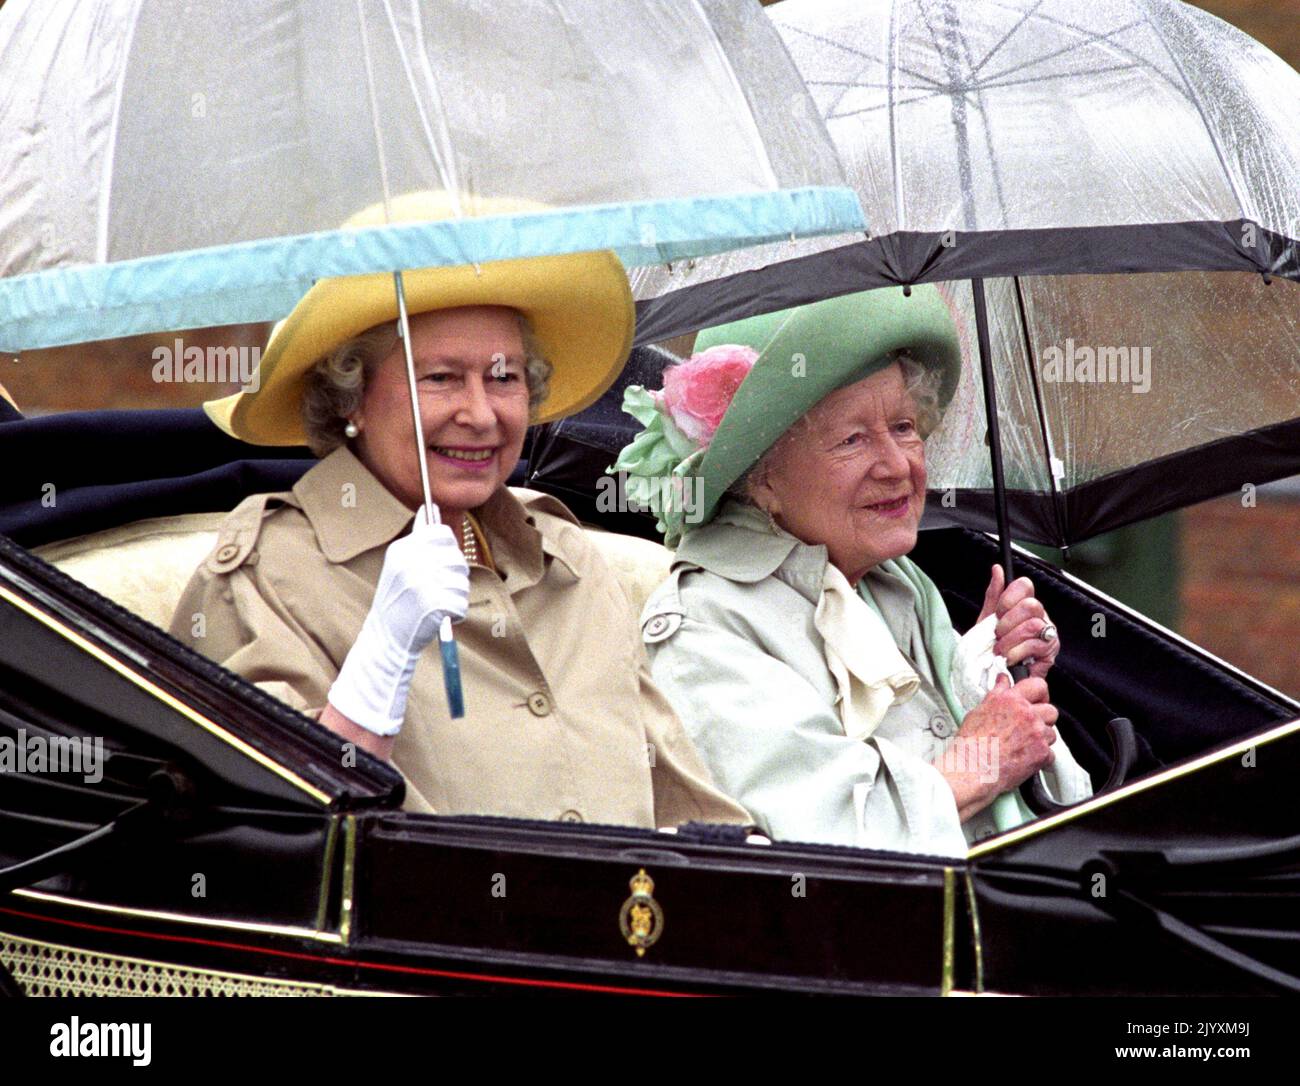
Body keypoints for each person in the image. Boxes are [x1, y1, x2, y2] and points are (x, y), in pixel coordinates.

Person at [170, 197, 749, 830]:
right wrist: (379, 666)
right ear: (350, 395)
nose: (481, 414)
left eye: (504, 378)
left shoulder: (569, 558)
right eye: (441, 378)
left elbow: (688, 811)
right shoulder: (264, 573)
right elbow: (264, 839)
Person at [611, 286, 1092, 855]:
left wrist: (984, 676)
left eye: (905, 426)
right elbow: (831, 847)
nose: (896, 465)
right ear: (762, 477)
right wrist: (981, 758)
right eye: (852, 439)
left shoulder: (899, 589)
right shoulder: (705, 626)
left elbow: (1069, 814)